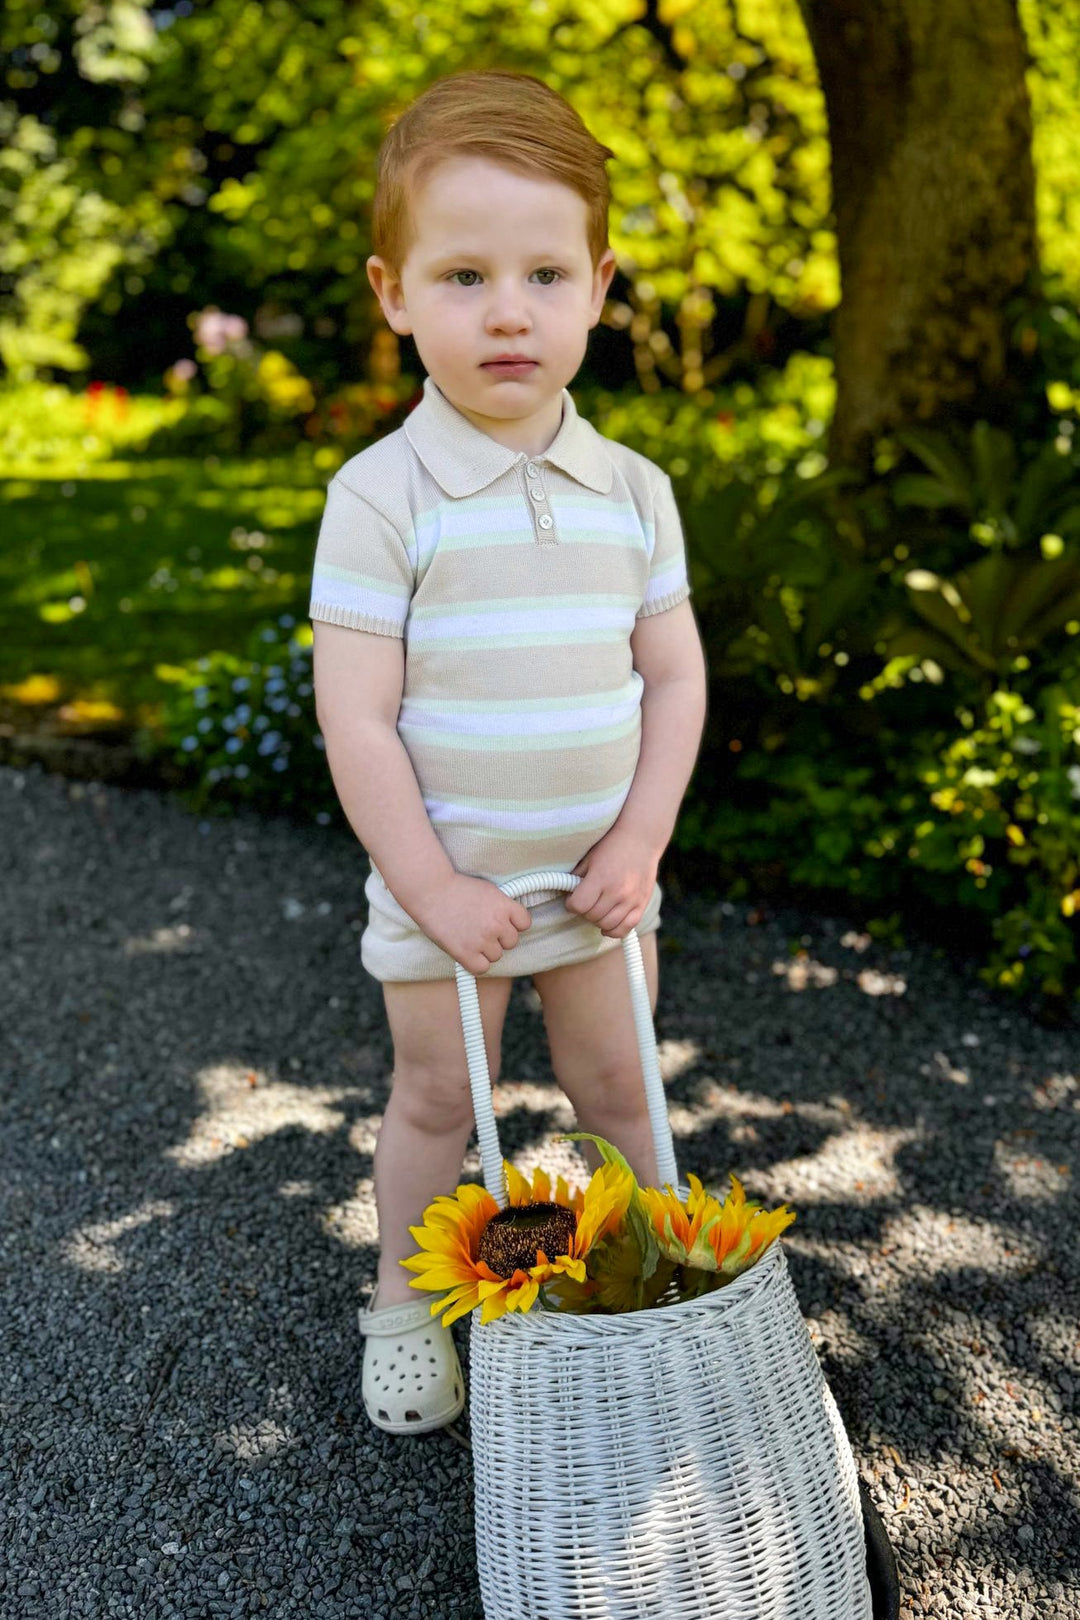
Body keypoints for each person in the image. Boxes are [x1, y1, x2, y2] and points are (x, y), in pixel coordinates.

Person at [309, 69, 708, 1435]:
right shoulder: (381, 497)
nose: (507, 310)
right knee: (433, 1098)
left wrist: (640, 841)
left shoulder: (634, 494)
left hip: (599, 882)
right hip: (453, 889)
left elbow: (672, 676)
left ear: (599, 288)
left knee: (626, 1089)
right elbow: (356, 716)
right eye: (464, 274)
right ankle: (405, 1304)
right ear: (393, 293)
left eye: (545, 274)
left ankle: (655, 1277)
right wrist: (432, 889)